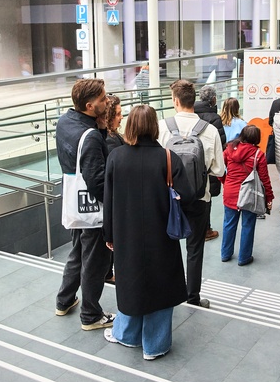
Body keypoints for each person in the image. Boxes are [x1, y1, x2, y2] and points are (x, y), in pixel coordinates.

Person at [102, 105, 192, 360]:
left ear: (130, 126)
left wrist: (109, 234)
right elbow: (187, 195)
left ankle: (127, 335)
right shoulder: (168, 157)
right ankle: (155, 346)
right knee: (161, 285)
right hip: (161, 234)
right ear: (154, 126)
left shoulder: (116, 157)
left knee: (130, 283)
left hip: (126, 234)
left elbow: (108, 200)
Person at [54, 79, 115, 330]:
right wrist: (112, 207)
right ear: (89, 106)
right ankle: (90, 315)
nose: (107, 101)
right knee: (95, 262)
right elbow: (96, 181)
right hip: (92, 211)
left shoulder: (64, 121)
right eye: (102, 99)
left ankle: (64, 300)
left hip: (73, 203)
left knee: (78, 252)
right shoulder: (90, 136)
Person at [158, 80, 225, 309]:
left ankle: (168, 292)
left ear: (175, 101)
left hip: (169, 199)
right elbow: (219, 170)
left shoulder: (162, 127)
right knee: (195, 249)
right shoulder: (210, 130)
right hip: (199, 199)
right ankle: (192, 296)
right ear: (193, 100)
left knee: (167, 246)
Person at [219, 125, 274, 266]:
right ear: (257, 138)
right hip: (249, 194)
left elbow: (219, 169)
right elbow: (265, 179)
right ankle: (244, 257)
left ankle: (225, 254)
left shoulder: (229, 149)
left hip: (230, 192)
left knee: (228, 224)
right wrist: (269, 197)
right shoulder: (258, 155)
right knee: (248, 225)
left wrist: (225, 181)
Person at [193, 86, 226, 241]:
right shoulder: (214, 118)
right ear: (213, 99)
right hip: (207, 164)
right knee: (206, 198)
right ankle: (206, 230)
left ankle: (193, 228)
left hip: (190, 162)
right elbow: (221, 143)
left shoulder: (191, 113)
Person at [102, 94, 123, 284]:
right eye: (117, 114)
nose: (121, 117)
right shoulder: (111, 141)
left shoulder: (113, 136)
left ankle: (108, 272)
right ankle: (108, 273)